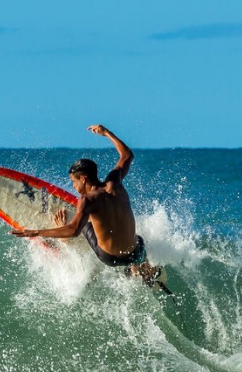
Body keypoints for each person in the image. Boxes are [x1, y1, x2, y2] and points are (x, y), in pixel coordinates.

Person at [10, 124, 170, 292]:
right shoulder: (115, 182)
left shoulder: (87, 200)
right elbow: (127, 155)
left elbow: (73, 230)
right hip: (134, 252)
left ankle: (66, 242)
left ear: (84, 179)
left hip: (109, 257)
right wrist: (107, 133)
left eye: (74, 181)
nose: (73, 186)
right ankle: (144, 270)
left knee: (84, 223)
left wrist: (36, 232)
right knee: (139, 240)